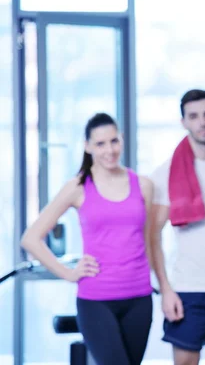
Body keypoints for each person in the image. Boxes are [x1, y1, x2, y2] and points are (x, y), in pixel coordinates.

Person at [21, 113, 154, 365]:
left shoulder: (143, 185)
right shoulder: (78, 187)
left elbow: (148, 241)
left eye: (114, 141)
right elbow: (31, 238)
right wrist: (68, 273)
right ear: (88, 146)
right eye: (100, 144)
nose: (109, 150)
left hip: (139, 298)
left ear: (122, 140)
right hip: (96, 300)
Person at [148, 89, 205, 365]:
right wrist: (165, 289)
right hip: (187, 290)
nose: (202, 122)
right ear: (183, 121)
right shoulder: (164, 173)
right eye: (194, 116)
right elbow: (152, 237)